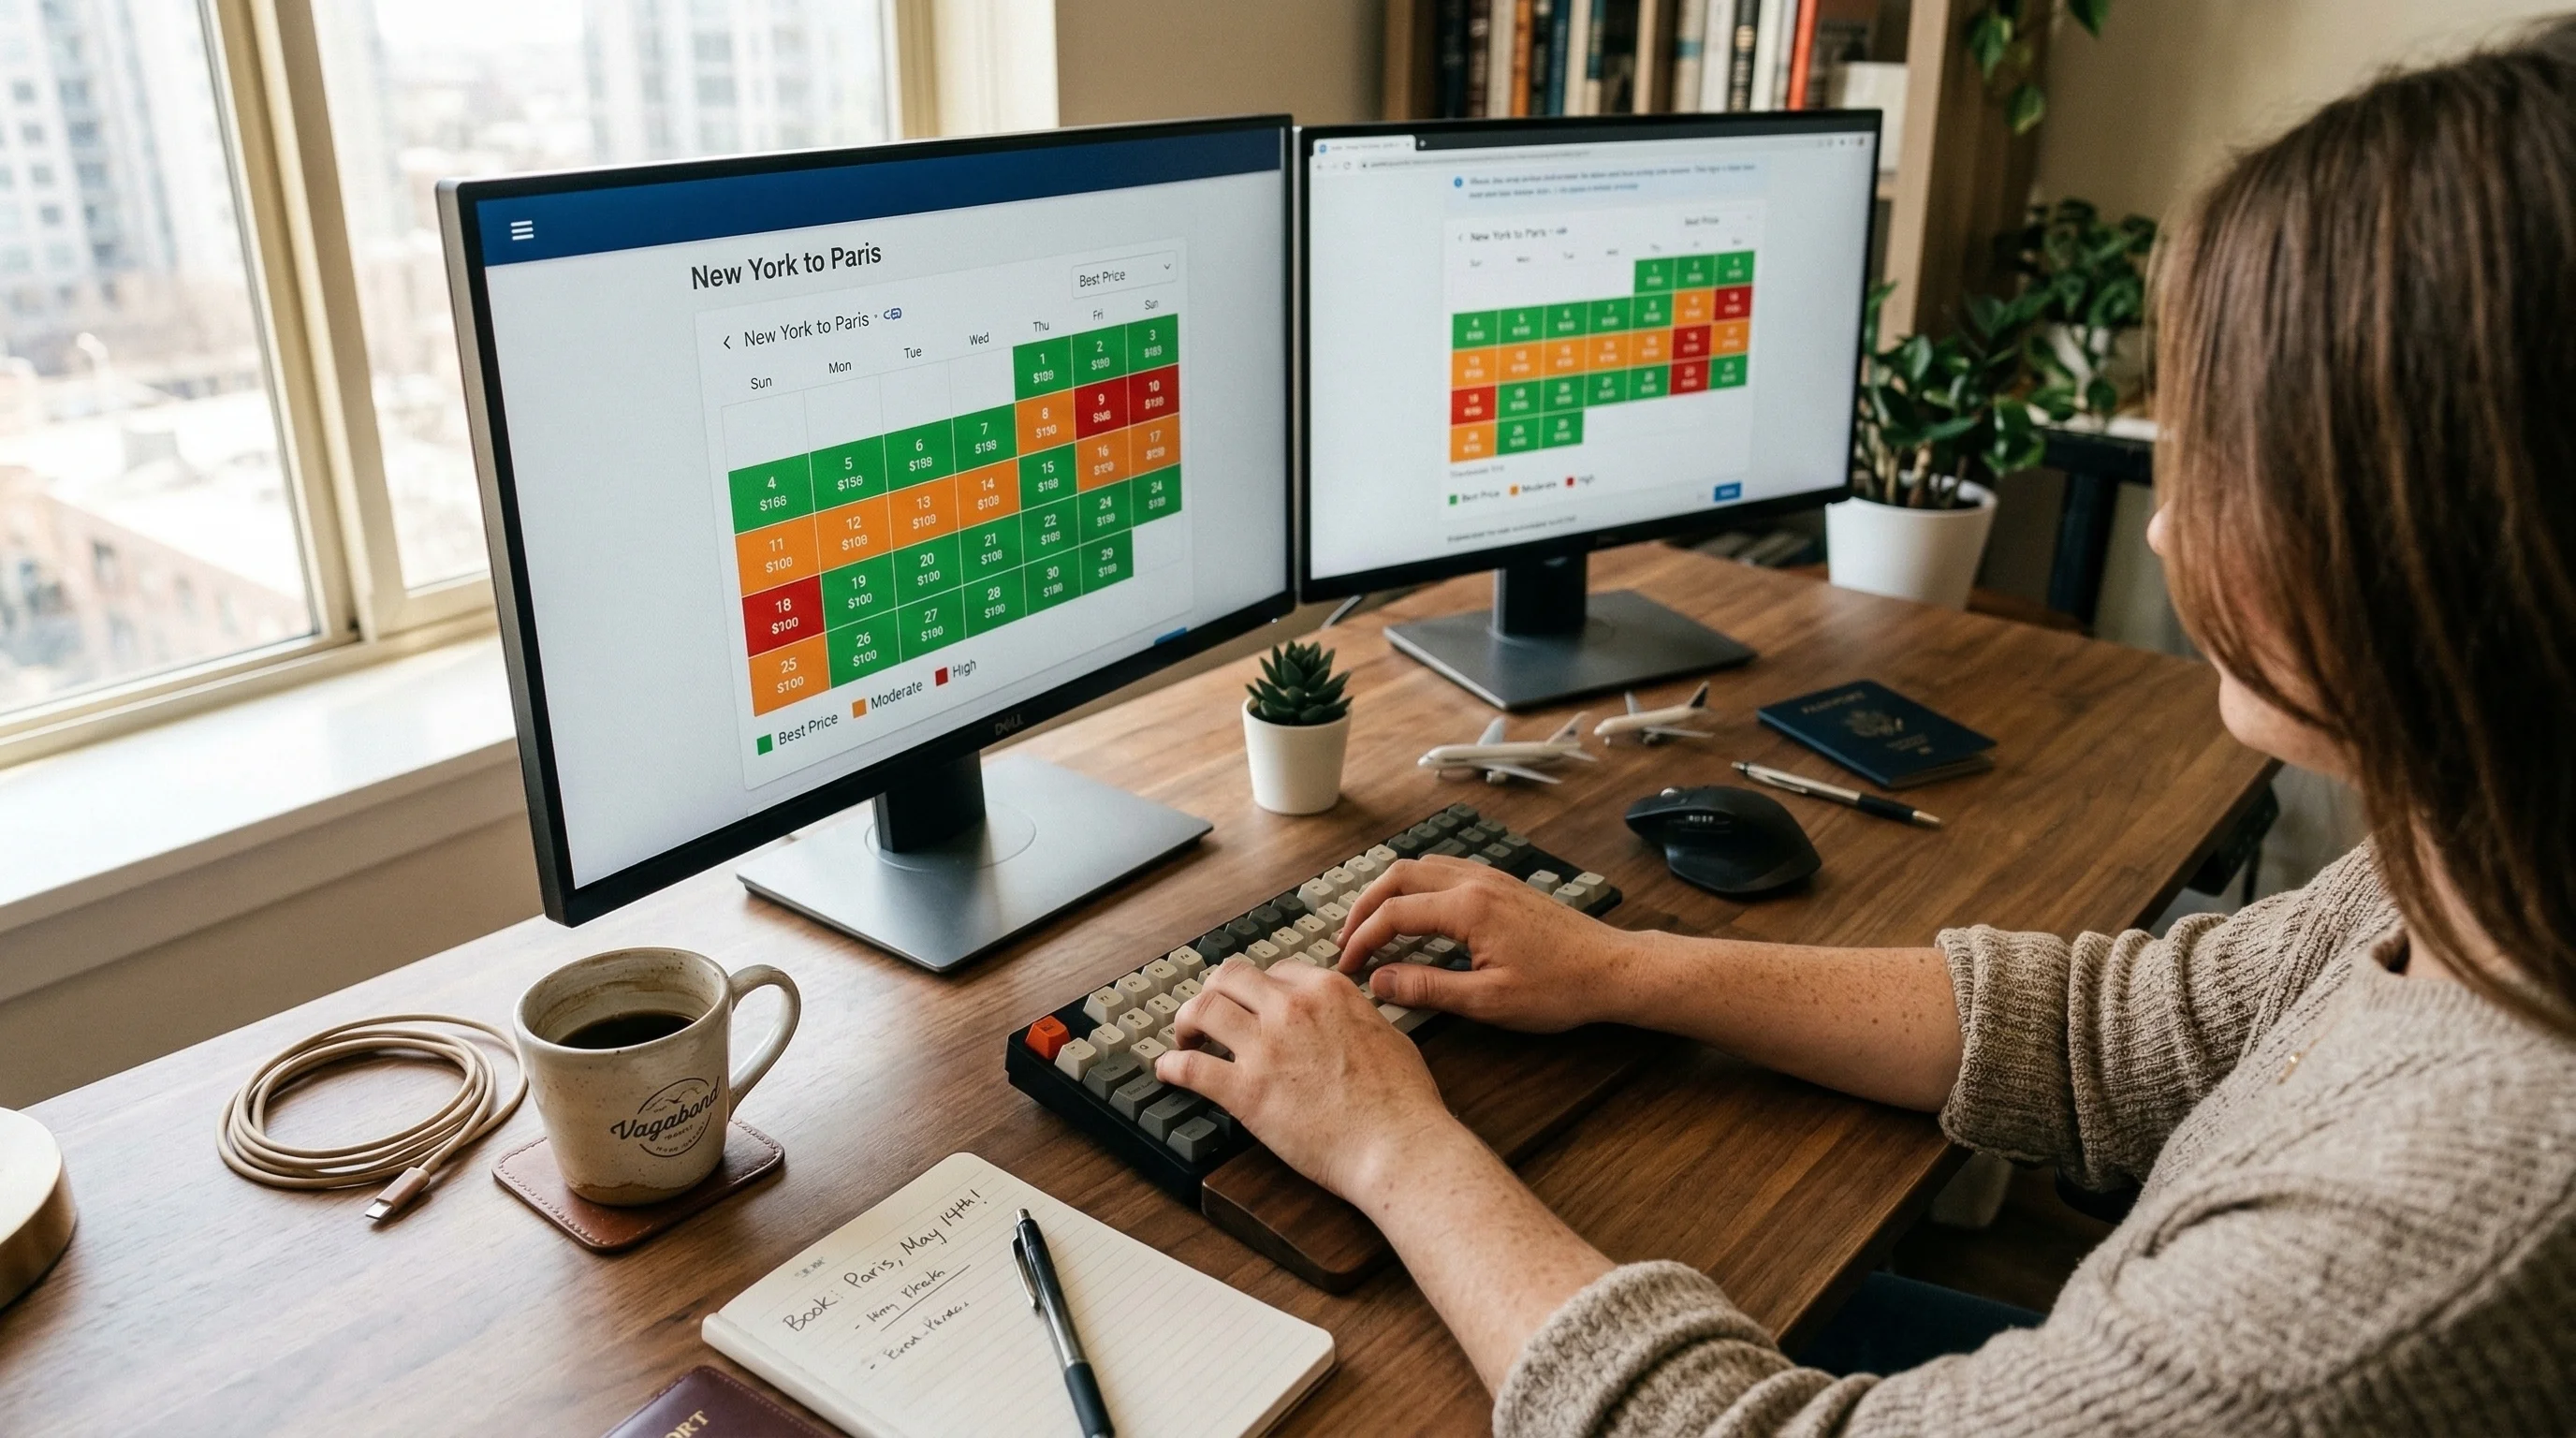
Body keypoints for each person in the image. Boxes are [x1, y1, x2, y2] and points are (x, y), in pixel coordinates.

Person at [1154, 22, 2576, 1436]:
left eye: (2234, 458)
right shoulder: (2491, 860)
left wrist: (1395, 1149)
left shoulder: (2428, 1254)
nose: (2170, 523)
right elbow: (2126, 1032)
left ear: (2444, 537)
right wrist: (1628, 967)